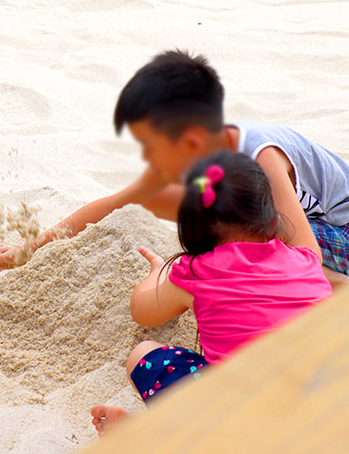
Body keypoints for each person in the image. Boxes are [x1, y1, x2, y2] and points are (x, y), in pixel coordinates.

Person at [0, 50, 349, 288]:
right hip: (281, 222)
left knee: (228, 230)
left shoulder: (262, 155)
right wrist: (32, 248)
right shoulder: (192, 155)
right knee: (204, 220)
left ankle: (346, 292)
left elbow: (307, 256)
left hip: (341, 230)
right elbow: (115, 203)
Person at [90, 151, 332, 434]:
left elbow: (142, 311)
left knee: (143, 354)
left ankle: (150, 436)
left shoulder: (196, 272)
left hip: (237, 426)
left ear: (191, 229)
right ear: (270, 215)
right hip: (323, 409)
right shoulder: (305, 258)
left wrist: (158, 271)